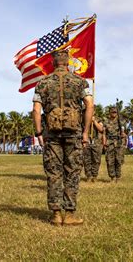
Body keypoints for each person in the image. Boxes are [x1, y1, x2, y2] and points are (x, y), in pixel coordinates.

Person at [32, 46, 93, 226]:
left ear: (53, 61)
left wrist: (38, 133)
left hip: (51, 135)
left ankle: (56, 214)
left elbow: (36, 110)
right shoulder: (81, 82)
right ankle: (70, 214)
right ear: (67, 62)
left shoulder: (42, 84)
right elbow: (89, 106)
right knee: (72, 172)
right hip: (74, 134)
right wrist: (85, 133)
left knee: (54, 173)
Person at [102, 106, 126, 182]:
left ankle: (118, 177)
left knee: (118, 160)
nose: (114, 113)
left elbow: (124, 133)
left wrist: (123, 135)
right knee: (109, 160)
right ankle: (112, 177)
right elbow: (104, 133)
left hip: (118, 142)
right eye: (112, 112)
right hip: (109, 142)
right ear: (109, 112)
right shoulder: (106, 122)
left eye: (115, 112)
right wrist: (104, 143)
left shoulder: (121, 122)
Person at [83, 115, 104, 182]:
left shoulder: (98, 119)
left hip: (96, 141)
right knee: (86, 160)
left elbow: (101, 129)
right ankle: (88, 176)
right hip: (87, 141)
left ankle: (94, 176)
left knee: (96, 159)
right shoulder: (83, 118)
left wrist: (94, 121)